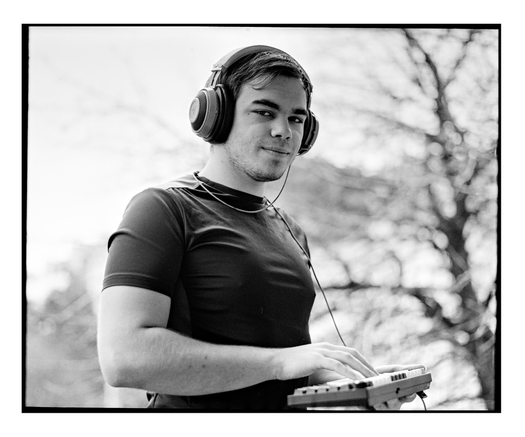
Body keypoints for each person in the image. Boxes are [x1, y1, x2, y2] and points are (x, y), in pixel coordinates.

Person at [97, 45, 421, 410]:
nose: (283, 130)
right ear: (216, 116)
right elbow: (123, 358)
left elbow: (280, 367)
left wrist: (351, 380)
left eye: (297, 119)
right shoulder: (162, 209)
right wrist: (281, 363)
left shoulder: (291, 231)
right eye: (264, 111)